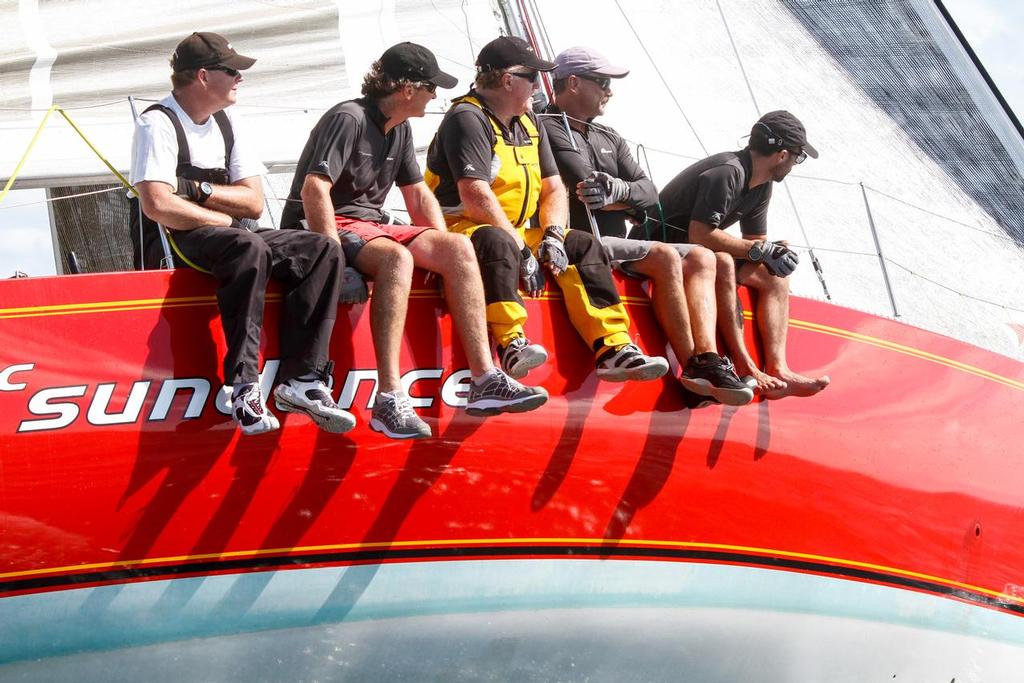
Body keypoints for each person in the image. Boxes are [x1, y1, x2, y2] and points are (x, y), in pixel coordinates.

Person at [281, 42, 548, 440]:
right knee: (396, 260)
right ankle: (389, 398)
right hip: (328, 224)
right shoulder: (348, 117)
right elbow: (314, 190)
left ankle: (485, 380)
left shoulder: (399, 127)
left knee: (459, 248)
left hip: (370, 225)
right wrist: (332, 258)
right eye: (430, 86)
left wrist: (447, 255)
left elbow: (418, 195)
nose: (436, 95)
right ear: (407, 88)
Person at [130, 32, 353, 436]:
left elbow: (252, 203)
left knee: (321, 249)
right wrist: (220, 218)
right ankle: (244, 387)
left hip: (229, 235)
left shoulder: (228, 122)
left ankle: (302, 380)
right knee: (247, 244)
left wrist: (200, 192)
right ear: (202, 76)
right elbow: (158, 205)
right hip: (180, 240)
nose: (240, 78)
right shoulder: (156, 123)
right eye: (232, 70)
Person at [423, 36, 667, 384]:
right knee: (499, 242)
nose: (539, 86)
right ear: (508, 81)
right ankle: (511, 343)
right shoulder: (468, 117)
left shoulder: (529, 121)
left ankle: (613, 347)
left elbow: (553, 186)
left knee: (581, 244)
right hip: (459, 227)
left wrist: (553, 234)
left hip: (518, 228)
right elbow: (474, 194)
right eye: (532, 78)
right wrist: (521, 248)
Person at [540, 46, 753, 407]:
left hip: (616, 245)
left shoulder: (609, 136)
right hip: (582, 243)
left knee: (705, 258)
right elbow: (581, 184)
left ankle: (709, 358)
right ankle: (692, 368)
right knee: (664, 256)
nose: (610, 91)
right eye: (603, 82)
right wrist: (626, 197)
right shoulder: (544, 126)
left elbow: (650, 193)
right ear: (573, 82)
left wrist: (618, 192)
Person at [643, 110, 831, 398]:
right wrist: (761, 250)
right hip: (663, 248)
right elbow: (700, 234)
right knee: (724, 262)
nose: (795, 164)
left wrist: (773, 251)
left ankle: (779, 367)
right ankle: (745, 365)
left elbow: (755, 241)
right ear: (781, 155)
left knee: (774, 276)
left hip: (698, 252)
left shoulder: (762, 185)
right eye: (798, 157)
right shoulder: (727, 171)